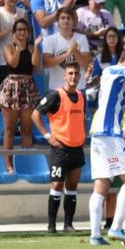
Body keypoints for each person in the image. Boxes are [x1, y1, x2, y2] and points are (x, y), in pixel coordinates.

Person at [85, 48, 125, 245]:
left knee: (101, 185)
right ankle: (117, 227)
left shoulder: (114, 76)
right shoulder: (112, 70)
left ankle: (95, 235)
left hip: (98, 132)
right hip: (110, 131)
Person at [32, 61, 86, 234]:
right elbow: (35, 114)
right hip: (60, 148)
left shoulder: (81, 96)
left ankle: (68, 225)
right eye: (70, 73)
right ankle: (51, 226)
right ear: (64, 76)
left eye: (76, 74)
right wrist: (48, 136)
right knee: (56, 185)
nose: (73, 76)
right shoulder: (56, 95)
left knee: (72, 187)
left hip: (77, 148)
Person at [0, 17, 42, 162]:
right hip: (12, 87)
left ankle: (25, 163)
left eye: (24, 30)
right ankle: (9, 164)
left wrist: (35, 46)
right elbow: (13, 64)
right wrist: (18, 49)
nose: (22, 33)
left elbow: (36, 65)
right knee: (9, 129)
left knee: (27, 130)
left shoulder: (32, 48)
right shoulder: (8, 47)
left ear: (28, 33)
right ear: (14, 33)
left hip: (28, 88)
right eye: (19, 30)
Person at [41, 7, 91, 92]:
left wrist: (75, 51)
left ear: (73, 21)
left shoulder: (81, 38)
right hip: (57, 88)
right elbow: (46, 63)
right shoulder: (50, 39)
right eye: (62, 18)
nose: (66, 21)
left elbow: (87, 64)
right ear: (58, 21)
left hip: (78, 87)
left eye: (68, 18)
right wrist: (66, 55)